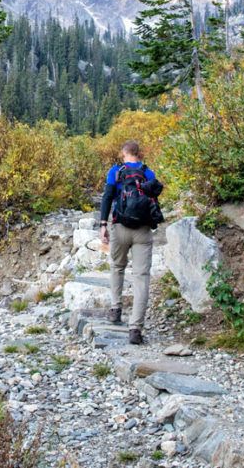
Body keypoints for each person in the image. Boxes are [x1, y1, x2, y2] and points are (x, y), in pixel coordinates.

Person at [99, 140, 162, 345]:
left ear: (123, 153)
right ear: (139, 153)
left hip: (120, 227)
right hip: (143, 231)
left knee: (117, 267)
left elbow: (107, 197)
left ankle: (115, 309)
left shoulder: (116, 171)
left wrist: (103, 224)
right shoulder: (148, 173)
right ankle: (135, 329)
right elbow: (154, 200)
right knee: (141, 277)